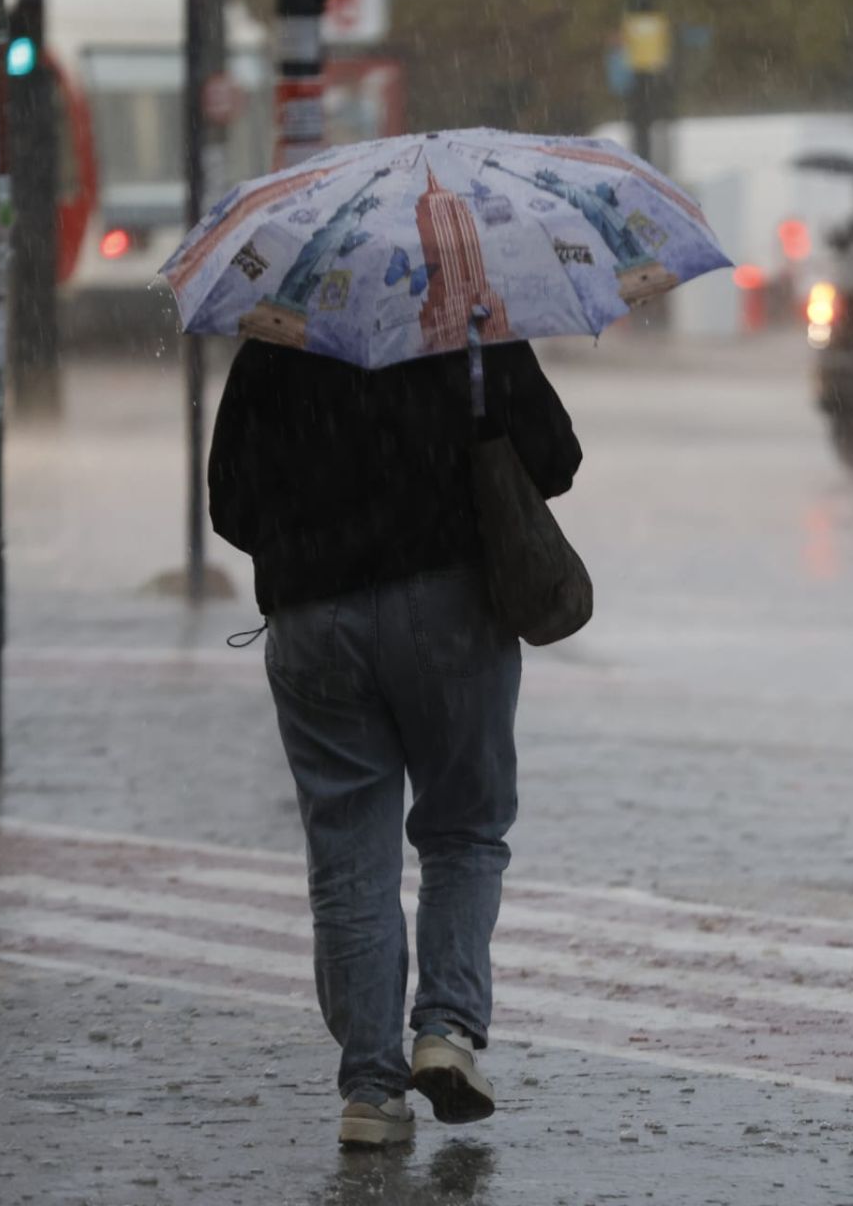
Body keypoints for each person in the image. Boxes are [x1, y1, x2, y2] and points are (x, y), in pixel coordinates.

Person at [208, 338, 581, 1148]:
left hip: (313, 620)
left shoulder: (280, 334)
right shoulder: (468, 324)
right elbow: (555, 460)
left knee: (349, 857)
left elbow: (230, 506)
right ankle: (445, 1030)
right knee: (463, 831)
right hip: (451, 603)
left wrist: (318, 528)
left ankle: (371, 1093)